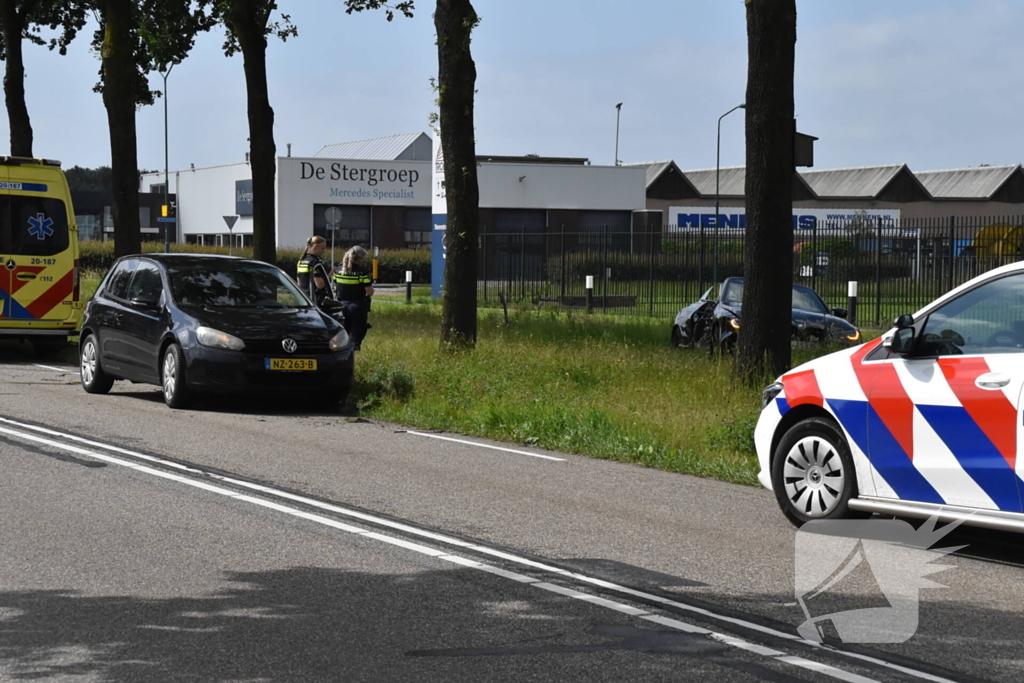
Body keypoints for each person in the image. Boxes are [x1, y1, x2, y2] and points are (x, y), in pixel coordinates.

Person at [333, 246, 374, 350]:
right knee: (356, 334)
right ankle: (353, 356)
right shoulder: (362, 272)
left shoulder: (338, 269)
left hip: (341, 306)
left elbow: (335, 286)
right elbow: (370, 292)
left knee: (343, 333)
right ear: (359, 259)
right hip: (357, 307)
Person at [296, 236, 332, 307]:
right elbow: (319, 285)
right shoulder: (315, 262)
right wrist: (331, 273)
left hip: (304, 298)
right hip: (316, 300)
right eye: (322, 248)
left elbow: (299, 282)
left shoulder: (302, 261)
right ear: (315, 247)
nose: (324, 251)